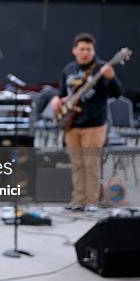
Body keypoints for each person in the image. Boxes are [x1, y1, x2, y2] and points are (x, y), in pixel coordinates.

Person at [50, 33, 122, 212]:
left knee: (91, 164)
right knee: (77, 164)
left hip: (94, 125)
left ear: (93, 50)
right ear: (74, 50)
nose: (85, 53)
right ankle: (78, 200)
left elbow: (117, 93)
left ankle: (92, 201)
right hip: (71, 124)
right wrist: (56, 100)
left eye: (89, 49)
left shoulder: (101, 68)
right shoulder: (68, 69)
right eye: (81, 49)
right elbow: (61, 92)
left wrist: (111, 78)